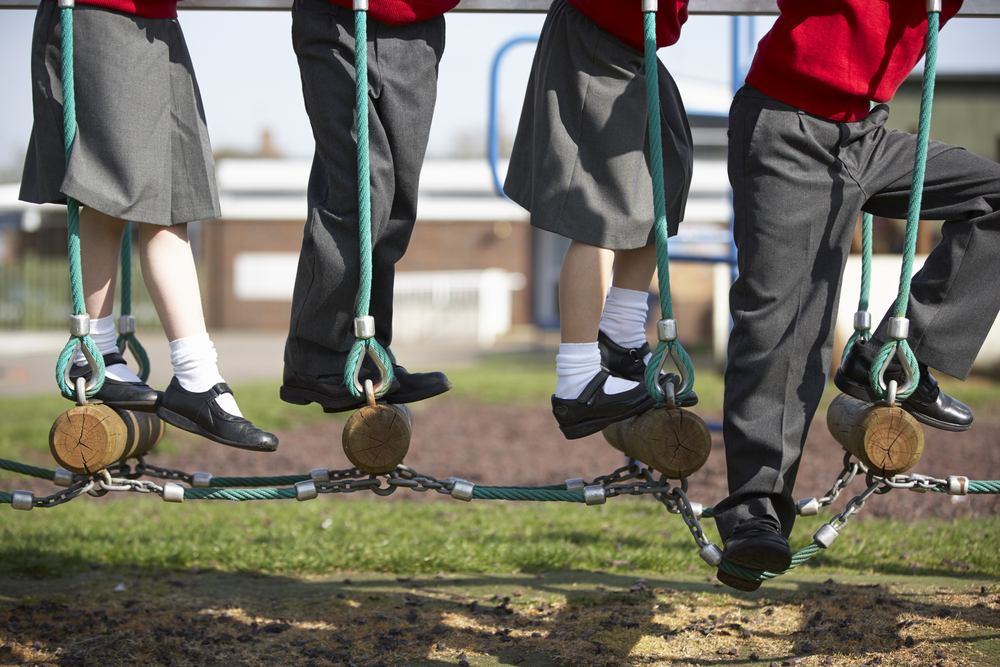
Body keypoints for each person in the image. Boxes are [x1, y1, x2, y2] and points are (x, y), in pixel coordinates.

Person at [715, 0, 999, 591]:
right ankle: (754, 513)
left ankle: (901, 353)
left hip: (864, 133)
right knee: (786, 322)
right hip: (789, 123)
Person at [20, 0, 278, 453]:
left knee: (173, 200)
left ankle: (196, 375)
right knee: (107, 189)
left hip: (158, 23)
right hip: (102, 14)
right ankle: (94, 351)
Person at [504, 0, 695, 440]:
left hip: (636, 40)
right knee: (599, 205)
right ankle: (576, 380)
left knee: (664, 172)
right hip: (598, 28)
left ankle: (621, 331)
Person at [279, 0, 458, 414]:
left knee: (397, 202)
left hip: (420, 25)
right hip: (339, 16)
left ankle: (371, 351)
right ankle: (316, 357)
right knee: (362, 191)